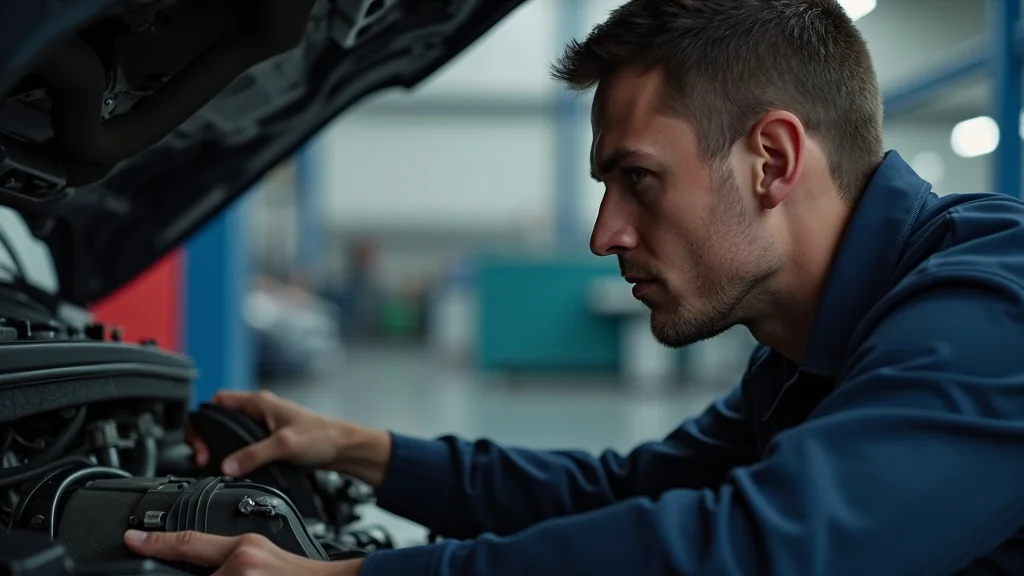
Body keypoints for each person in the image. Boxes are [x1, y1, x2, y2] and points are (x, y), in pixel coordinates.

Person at [125, 0, 1024, 574]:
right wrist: (359, 448)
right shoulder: (797, 360)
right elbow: (629, 493)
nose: (605, 234)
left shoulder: (992, 305)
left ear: (772, 160)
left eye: (637, 178)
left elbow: (767, 550)